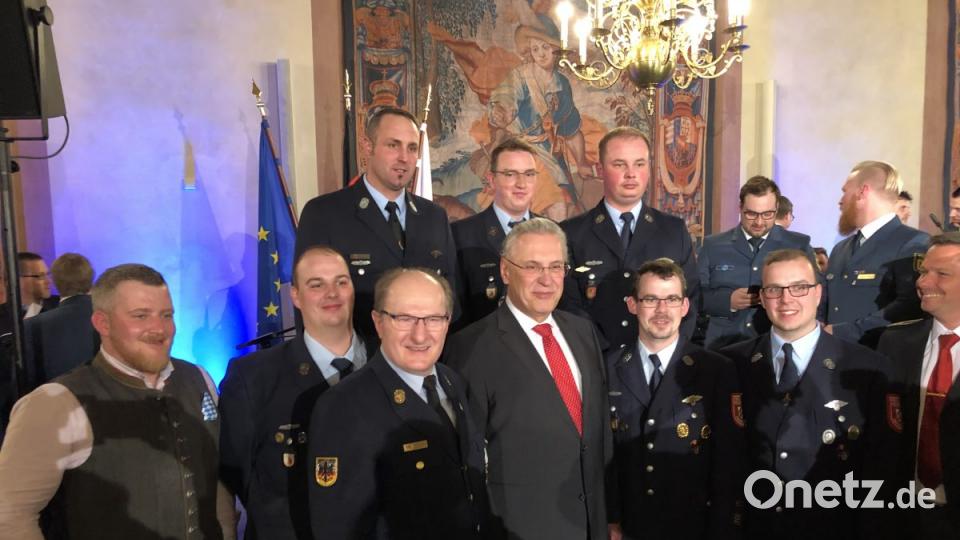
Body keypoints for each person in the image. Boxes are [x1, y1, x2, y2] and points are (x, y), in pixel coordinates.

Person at [0, 263, 235, 539]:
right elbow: (11, 514)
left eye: (166, 315)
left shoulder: (199, 379)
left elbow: (213, 479)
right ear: (103, 323)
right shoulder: (57, 402)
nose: (159, 329)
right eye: (140, 316)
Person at [445, 218, 613, 540]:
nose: (546, 280)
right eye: (533, 267)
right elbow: (467, 458)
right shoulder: (471, 346)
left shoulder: (583, 332)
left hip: (592, 524)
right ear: (506, 271)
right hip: (520, 528)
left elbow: (598, 432)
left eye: (555, 266)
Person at [720, 249, 898, 540]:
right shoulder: (731, 364)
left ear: (818, 293)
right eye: (774, 289)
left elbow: (882, 467)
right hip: (754, 526)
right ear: (762, 298)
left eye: (799, 288)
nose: (786, 299)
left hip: (832, 525)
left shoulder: (868, 368)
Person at [308, 268, 488, 539]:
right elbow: (338, 527)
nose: (420, 335)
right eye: (404, 318)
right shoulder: (342, 407)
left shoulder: (452, 381)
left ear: (447, 322)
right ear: (378, 322)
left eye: (434, 319)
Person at [219, 247, 373, 539]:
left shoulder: (388, 363)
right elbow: (236, 475)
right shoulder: (252, 377)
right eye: (317, 285)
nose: (332, 293)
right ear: (296, 297)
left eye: (341, 282)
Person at [294, 106, 458, 346]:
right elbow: (309, 305)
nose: (404, 157)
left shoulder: (434, 216)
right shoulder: (324, 214)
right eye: (393, 145)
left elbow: (451, 301)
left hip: (423, 364)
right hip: (356, 369)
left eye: (412, 148)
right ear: (367, 146)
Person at [606, 258, 744, 540]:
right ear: (632, 305)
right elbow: (601, 455)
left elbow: (728, 462)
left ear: (685, 306)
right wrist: (609, 519)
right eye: (650, 299)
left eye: (671, 299)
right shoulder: (607, 368)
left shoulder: (716, 370)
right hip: (627, 526)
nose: (661, 310)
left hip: (693, 525)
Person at [561, 127, 700, 351]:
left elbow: (690, 300)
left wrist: (666, 354)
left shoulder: (673, 231)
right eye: (619, 164)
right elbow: (569, 306)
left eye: (639, 164)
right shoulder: (572, 233)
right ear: (600, 169)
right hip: (595, 361)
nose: (631, 174)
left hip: (659, 362)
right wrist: (604, 356)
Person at [877, 233, 960, 538]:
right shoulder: (895, 342)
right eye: (924, 271)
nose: (923, 283)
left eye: (942, 274)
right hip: (902, 515)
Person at [698, 176, 816, 349]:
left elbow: (817, 294)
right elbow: (693, 296)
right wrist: (727, 301)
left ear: (776, 209)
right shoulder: (713, 245)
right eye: (751, 214)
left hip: (778, 345)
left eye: (767, 214)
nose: (759, 222)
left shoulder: (798, 245)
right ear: (740, 208)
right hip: (722, 346)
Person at [824, 160, 929, 347]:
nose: (840, 201)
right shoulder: (841, 249)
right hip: (833, 357)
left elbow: (909, 306)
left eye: (844, 191)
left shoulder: (913, 243)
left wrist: (847, 331)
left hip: (877, 358)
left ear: (863, 192)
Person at [452, 139, 538, 326]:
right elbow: (455, 312)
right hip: (483, 347)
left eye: (529, 174)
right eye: (510, 174)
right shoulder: (460, 235)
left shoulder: (553, 233)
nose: (521, 184)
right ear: (492, 180)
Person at [23, 253, 99, 389]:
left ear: (55, 282)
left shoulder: (31, 326)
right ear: (91, 278)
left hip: (51, 403)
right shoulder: (114, 318)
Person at [17, 252, 58, 319]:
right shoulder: (4, 316)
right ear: (20, 280)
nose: (48, 281)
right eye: (41, 276)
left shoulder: (61, 306)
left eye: (47, 274)